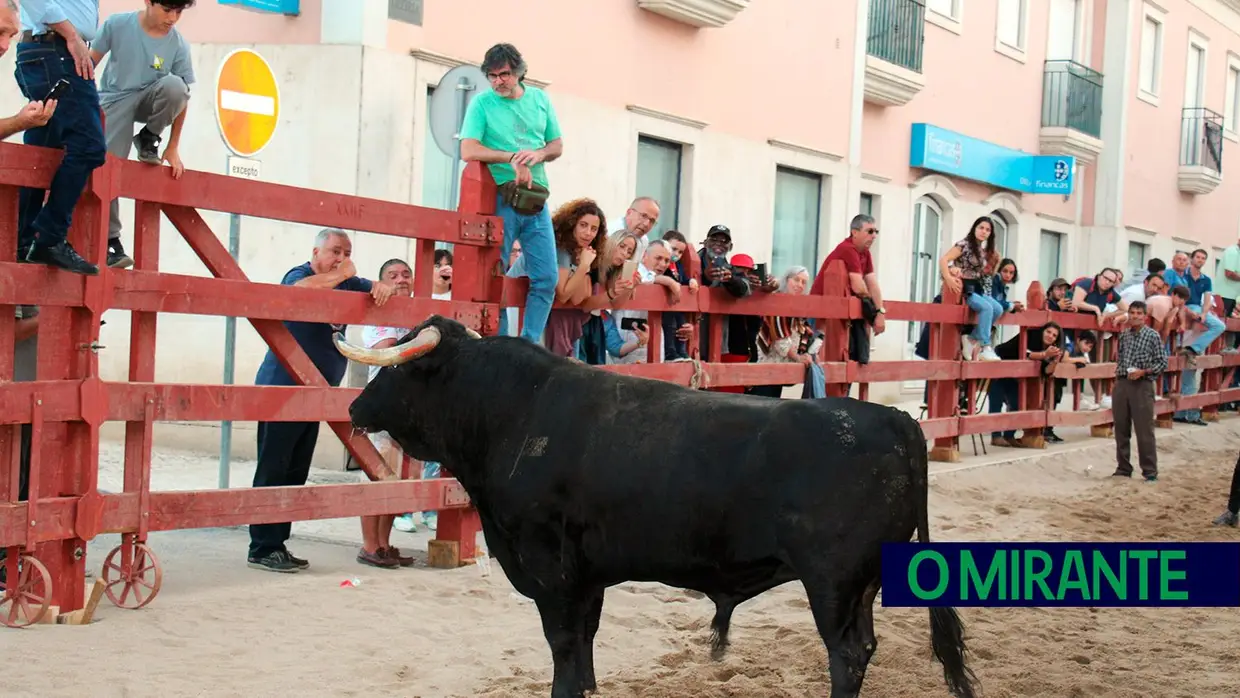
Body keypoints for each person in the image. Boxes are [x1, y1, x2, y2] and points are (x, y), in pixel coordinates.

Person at [248, 228, 395, 573]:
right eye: (334, 251)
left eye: (346, 252)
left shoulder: (347, 283)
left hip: (316, 395)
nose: (341, 259)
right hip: (282, 391)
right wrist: (344, 274)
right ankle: (262, 546)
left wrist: (381, 286)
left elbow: (375, 289)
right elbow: (295, 294)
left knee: (295, 471)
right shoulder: (301, 274)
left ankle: (277, 544)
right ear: (316, 253)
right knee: (273, 469)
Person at [459, 43, 563, 346]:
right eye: (491, 76)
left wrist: (538, 154)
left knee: (546, 278)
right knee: (495, 276)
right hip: (500, 196)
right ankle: (501, 344)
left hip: (536, 197)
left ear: (518, 72)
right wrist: (512, 157)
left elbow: (556, 144)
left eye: (503, 74)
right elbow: (468, 149)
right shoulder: (481, 104)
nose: (497, 82)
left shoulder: (540, 99)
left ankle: (528, 344)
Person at [91, 0, 196, 269]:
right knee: (107, 164)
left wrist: (173, 146)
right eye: (167, 9)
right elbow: (89, 64)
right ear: (149, 2)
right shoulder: (117, 24)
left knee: (176, 86)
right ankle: (110, 240)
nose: (173, 18)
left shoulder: (179, 45)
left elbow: (183, 99)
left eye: (179, 11)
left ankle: (149, 136)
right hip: (115, 99)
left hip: (152, 98)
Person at [14, 0, 107, 275]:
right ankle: (49, 236)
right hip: (58, 49)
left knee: (43, 145)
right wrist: (72, 35)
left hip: (54, 48)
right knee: (89, 147)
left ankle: (23, 241)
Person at [1111, 301, 1167, 483]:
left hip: (1142, 385)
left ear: (1144, 316)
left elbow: (1161, 362)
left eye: (1139, 313)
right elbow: (1120, 358)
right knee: (1121, 427)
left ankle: (1150, 471)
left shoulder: (1152, 336)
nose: (1135, 316)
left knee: (1144, 430)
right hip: (1122, 383)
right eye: (1132, 312)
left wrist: (1143, 372)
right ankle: (1123, 467)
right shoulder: (1124, 335)